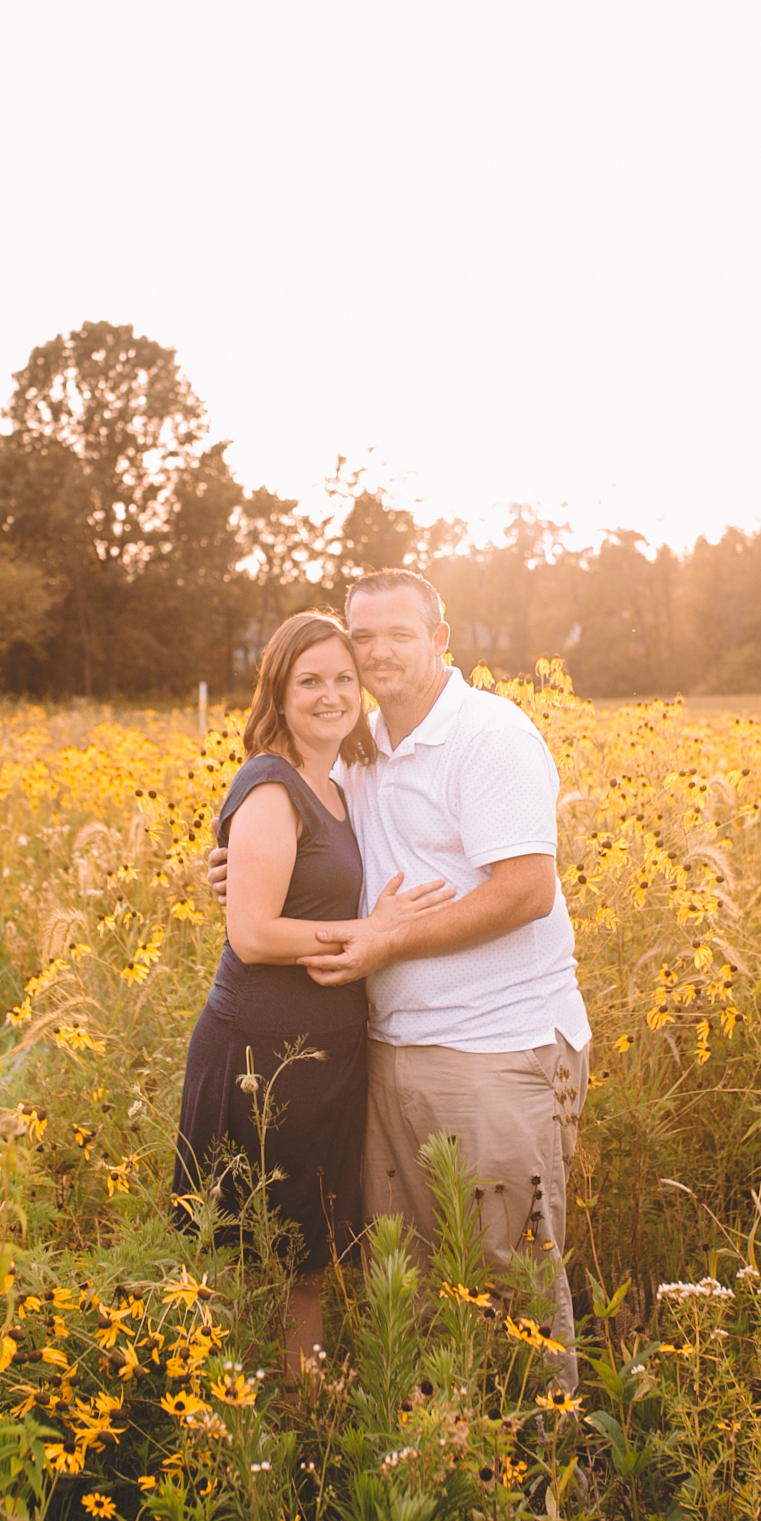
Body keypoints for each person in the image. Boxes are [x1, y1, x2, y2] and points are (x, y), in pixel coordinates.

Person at [214, 570, 591, 1384]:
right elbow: (299, 847)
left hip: (493, 1047)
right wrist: (237, 866)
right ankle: (441, 1453)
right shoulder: (356, 748)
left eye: (399, 634)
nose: (376, 651)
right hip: (385, 1050)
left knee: (510, 1273)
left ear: (441, 640)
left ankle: (544, 1481)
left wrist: (389, 943)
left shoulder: (489, 735)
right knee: (409, 1281)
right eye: (363, 637)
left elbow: (526, 889)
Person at [173, 610, 450, 1378]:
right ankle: (239, 1418)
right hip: (265, 1051)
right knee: (258, 1256)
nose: (330, 695)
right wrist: (374, 932)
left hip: (324, 1052)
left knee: (309, 1257)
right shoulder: (270, 780)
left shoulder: (334, 784)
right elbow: (253, 935)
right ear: (278, 692)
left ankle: (303, 1416)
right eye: (309, 681)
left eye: (342, 679)